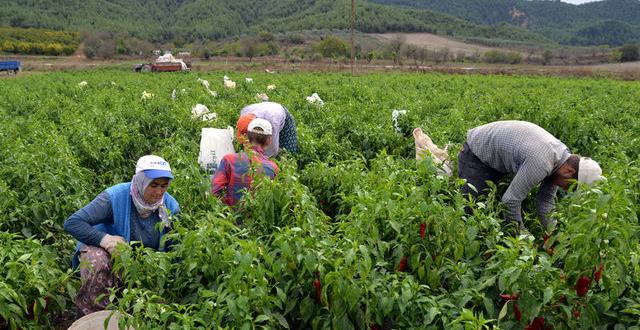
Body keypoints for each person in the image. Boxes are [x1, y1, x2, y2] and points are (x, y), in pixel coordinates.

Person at [63, 155, 179, 315]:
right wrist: (105, 239)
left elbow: (174, 247)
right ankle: (94, 315)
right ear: (140, 181)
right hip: (110, 256)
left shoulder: (170, 206)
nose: (159, 192)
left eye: (164, 186)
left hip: (141, 263)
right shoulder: (115, 197)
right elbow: (73, 223)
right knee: (96, 259)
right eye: (154, 185)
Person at [458, 120, 602, 232]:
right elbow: (510, 201)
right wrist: (523, 238)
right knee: (471, 211)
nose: (564, 190)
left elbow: (545, 201)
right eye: (570, 187)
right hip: (477, 150)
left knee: (490, 207)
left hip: (499, 155)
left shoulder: (561, 160)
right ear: (569, 172)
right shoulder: (542, 162)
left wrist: (554, 234)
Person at [213, 118, 279, 207]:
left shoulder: (229, 160)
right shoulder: (273, 167)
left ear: (247, 137)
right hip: (258, 219)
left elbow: (215, 191)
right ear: (269, 141)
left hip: (231, 217)